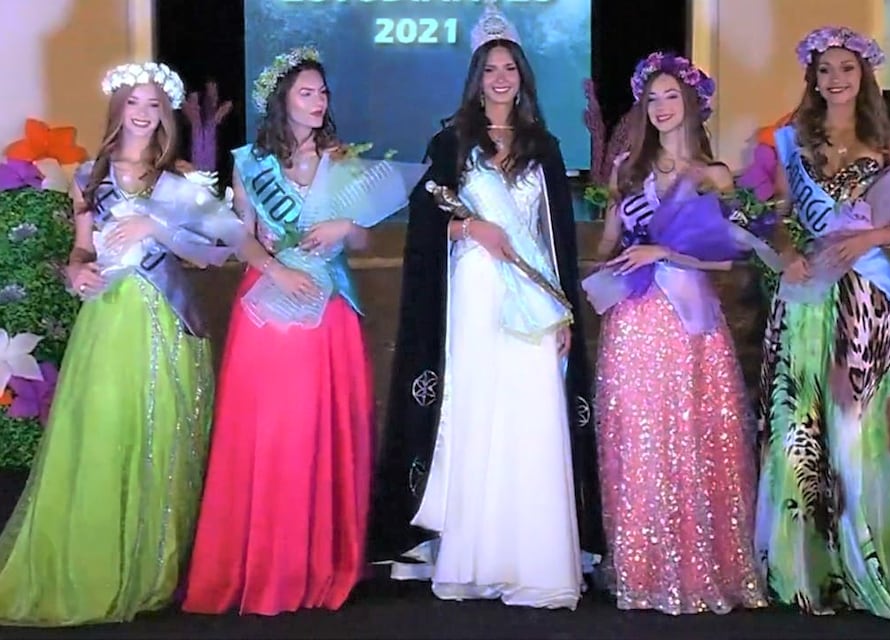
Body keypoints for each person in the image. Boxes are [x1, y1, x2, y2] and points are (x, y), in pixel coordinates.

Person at [367, 2, 604, 611]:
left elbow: (556, 240)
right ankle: (472, 559)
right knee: (477, 413)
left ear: (522, 76)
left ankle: (537, 562)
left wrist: (563, 312)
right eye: (490, 68)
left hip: (531, 297)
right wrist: (471, 230)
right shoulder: (450, 143)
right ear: (477, 76)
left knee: (531, 415)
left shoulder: (545, 148)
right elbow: (425, 227)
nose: (500, 77)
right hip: (472, 294)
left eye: (510, 68)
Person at [0, 61, 240, 626]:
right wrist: (74, 273)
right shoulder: (90, 176)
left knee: (158, 441)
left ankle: (148, 570)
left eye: (153, 104)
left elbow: (218, 250)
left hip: (165, 321)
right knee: (103, 438)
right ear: (119, 108)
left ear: (164, 115)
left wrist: (161, 230)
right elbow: (82, 253)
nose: (142, 112)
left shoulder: (177, 178)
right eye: (134, 101)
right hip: (108, 324)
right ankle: (95, 563)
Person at [755, 26, 890, 622]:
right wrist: (789, 249)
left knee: (869, 434)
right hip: (808, 300)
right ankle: (811, 572)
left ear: (864, 77)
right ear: (813, 79)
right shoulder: (790, 143)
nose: (835, 80)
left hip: (869, 302)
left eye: (846, 70)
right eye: (825, 71)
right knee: (807, 431)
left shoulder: (888, 143)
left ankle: (880, 562)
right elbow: (776, 217)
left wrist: (870, 238)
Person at [182, 47, 380, 615]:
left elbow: (362, 239)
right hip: (268, 306)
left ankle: (318, 563)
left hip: (330, 310)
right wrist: (276, 267)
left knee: (321, 432)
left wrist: (347, 224)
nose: (318, 102)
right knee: (270, 435)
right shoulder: (250, 164)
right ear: (281, 101)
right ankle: (264, 563)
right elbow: (240, 236)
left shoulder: (342, 159)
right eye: (306, 93)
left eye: (322, 93)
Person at [589, 52, 767, 615]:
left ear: (692, 103)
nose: (662, 108)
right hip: (636, 323)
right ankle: (643, 568)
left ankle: (697, 568)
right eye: (653, 99)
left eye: (672, 97)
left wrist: (667, 250)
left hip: (691, 323)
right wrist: (612, 254)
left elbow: (733, 261)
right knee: (638, 442)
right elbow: (605, 247)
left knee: (695, 441)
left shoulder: (715, 177)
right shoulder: (627, 169)